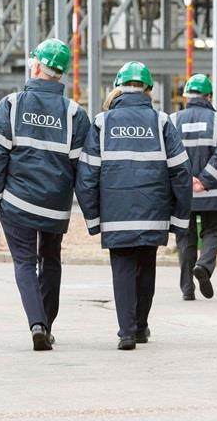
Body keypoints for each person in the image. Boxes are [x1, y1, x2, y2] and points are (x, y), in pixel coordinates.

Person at [0, 38, 90, 351]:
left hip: (16, 202)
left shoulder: (12, 106)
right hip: (55, 206)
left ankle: (37, 324)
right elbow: (82, 168)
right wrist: (89, 209)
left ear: (38, 66)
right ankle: (47, 324)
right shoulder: (73, 114)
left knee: (25, 263)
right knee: (51, 261)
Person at [76, 61, 192, 350]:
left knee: (123, 267)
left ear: (117, 87)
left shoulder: (103, 123)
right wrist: (179, 218)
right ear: (148, 89)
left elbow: (87, 174)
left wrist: (93, 217)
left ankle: (126, 331)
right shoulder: (161, 122)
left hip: (116, 214)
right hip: (153, 212)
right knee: (146, 265)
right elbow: (181, 172)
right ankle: (140, 326)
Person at [169, 74, 217, 301]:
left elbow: (170, 154)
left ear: (186, 96)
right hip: (211, 190)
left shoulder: (173, 119)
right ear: (209, 96)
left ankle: (187, 288)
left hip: (183, 192)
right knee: (213, 231)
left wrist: (186, 182)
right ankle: (204, 266)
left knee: (185, 238)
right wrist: (205, 180)